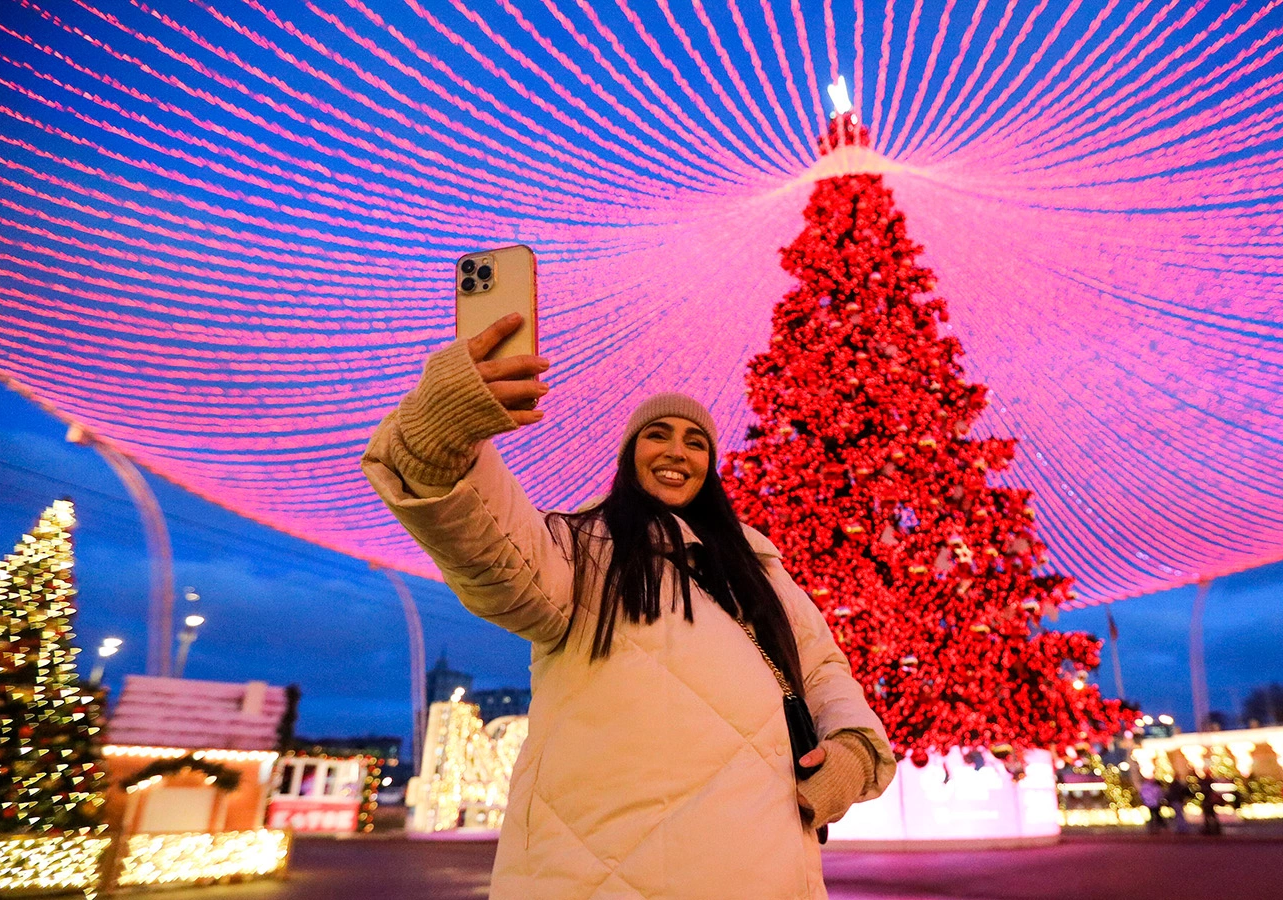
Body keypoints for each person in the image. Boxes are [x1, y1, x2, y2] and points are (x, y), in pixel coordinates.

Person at [364, 315, 894, 898]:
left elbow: (822, 670)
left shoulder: (759, 567)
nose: (677, 451)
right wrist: (440, 435)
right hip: (599, 873)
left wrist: (853, 747)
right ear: (629, 454)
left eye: (696, 442)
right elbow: (493, 547)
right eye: (657, 434)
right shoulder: (574, 548)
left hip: (766, 867)